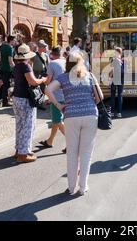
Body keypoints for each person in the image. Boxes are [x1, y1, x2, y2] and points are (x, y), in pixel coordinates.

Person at [45, 52, 102, 196]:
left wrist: (59, 105)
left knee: (72, 153)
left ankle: (71, 188)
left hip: (70, 116)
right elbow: (100, 96)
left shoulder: (63, 78)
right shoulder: (89, 76)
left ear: (67, 64)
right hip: (90, 115)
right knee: (86, 153)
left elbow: (48, 90)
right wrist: (90, 106)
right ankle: (83, 187)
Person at [12, 44, 47, 163]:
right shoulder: (26, 67)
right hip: (25, 99)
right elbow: (32, 82)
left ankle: (19, 150)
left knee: (20, 125)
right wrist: (42, 80)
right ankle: (23, 153)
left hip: (17, 97)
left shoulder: (16, 66)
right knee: (28, 125)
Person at [39, 46, 66, 153]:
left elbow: (48, 81)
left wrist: (42, 80)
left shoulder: (52, 64)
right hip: (66, 93)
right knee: (56, 119)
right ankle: (49, 141)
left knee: (58, 120)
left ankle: (72, 142)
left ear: (52, 54)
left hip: (56, 96)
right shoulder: (64, 62)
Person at [0, 36, 16, 107]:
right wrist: (15, 68)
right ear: (11, 41)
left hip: (1, 68)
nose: (15, 42)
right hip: (7, 69)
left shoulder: (2, 46)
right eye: (14, 40)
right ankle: (4, 101)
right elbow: (10, 60)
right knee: (6, 85)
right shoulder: (10, 48)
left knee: (5, 84)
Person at [109, 47, 124, 118]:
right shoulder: (123, 60)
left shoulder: (113, 59)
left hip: (114, 79)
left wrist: (110, 76)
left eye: (115, 52)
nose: (114, 53)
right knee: (120, 95)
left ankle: (112, 112)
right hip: (121, 79)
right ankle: (119, 113)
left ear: (117, 52)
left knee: (112, 95)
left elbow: (112, 70)